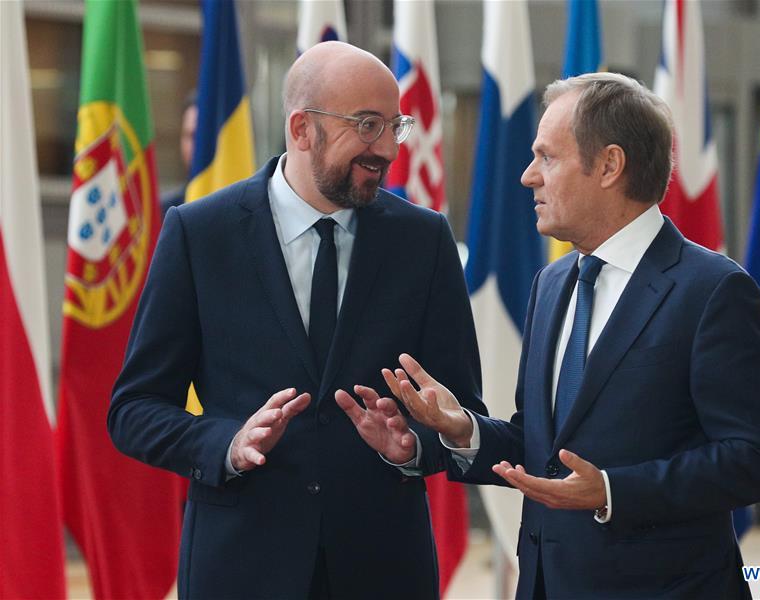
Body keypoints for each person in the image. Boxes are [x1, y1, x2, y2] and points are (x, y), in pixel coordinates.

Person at [342, 72, 760, 599]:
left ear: (609, 165)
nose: (528, 176)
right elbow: (544, 448)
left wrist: (611, 491)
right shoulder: (552, 283)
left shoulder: (713, 290)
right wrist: (461, 429)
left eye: (547, 157)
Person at [108, 41, 485, 599]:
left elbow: (463, 409)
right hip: (240, 568)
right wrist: (228, 444)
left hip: (384, 570)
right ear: (302, 128)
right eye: (367, 125)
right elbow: (133, 411)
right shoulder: (198, 233)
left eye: (394, 126)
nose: (386, 148)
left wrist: (413, 448)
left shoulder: (423, 240)